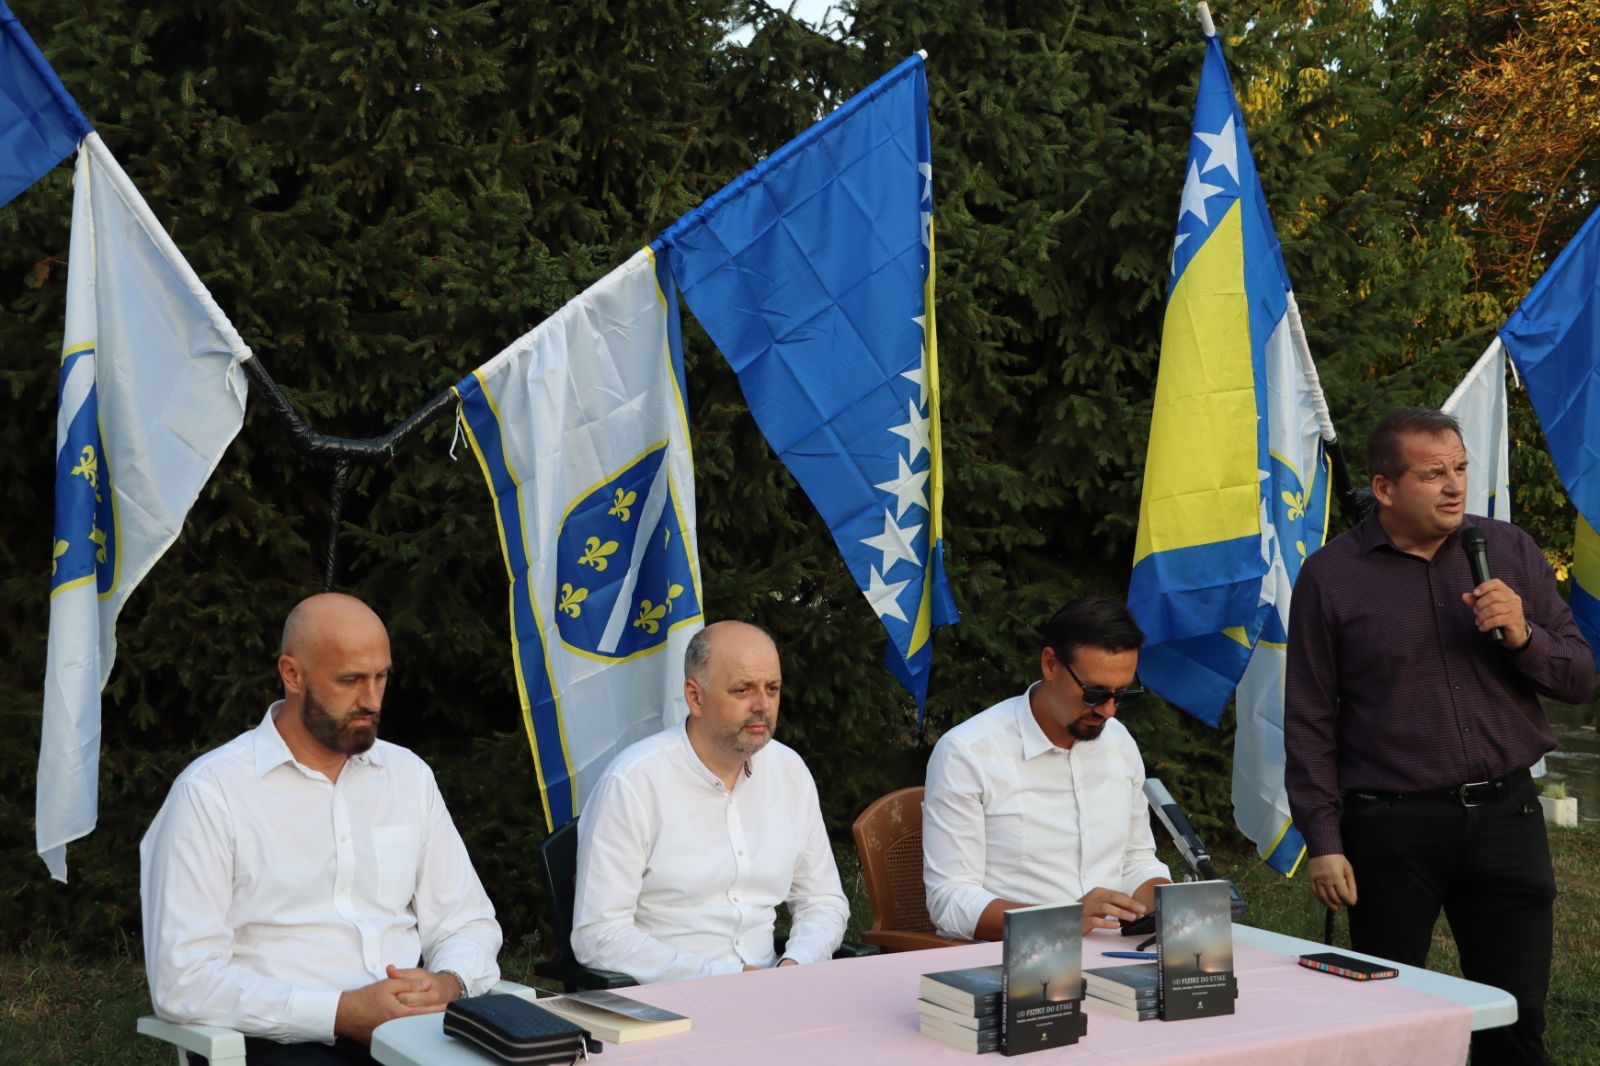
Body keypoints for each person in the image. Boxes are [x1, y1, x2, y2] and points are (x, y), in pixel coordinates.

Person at [1284, 407, 1595, 1065]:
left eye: (1460, 468)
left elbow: (1579, 678)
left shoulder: (1507, 549)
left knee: (1514, 1019)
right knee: (1390, 1022)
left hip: (1507, 818)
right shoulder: (1332, 577)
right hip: (1392, 828)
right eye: (1433, 475)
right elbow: (1309, 718)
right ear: (1384, 488)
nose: (1455, 486)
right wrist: (1324, 839)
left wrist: (1524, 636)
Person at [140, 593, 503, 1065]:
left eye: (381, 677)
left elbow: (467, 921)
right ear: (292, 674)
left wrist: (448, 982)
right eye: (350, 680)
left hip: (415, 1031)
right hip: (277, 1042)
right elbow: (183, 980)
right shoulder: (212, 793)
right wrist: (339, 1012)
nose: (371, 700)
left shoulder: (407, 776)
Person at [571, 620, 848, 983]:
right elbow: (599, 935)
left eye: (773, 688)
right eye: (743, 690)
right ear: (695, 697)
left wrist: (796, 964)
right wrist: (729, 976)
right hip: (665, 997)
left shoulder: (789, 771)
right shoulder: (634, 783)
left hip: (773, 989)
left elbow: (823, 901)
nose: (763, 705)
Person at [923, 596, 1172, 941]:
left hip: (1112, 951)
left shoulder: (1117, 741)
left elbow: (1134, 859)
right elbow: (949, 899)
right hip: (1013, 958)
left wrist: (1168, 903)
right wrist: (1062, 920)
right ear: (1050, 664)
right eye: (1094, 693)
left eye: (1122, 695)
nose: (1108, 711)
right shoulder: (968, 753)